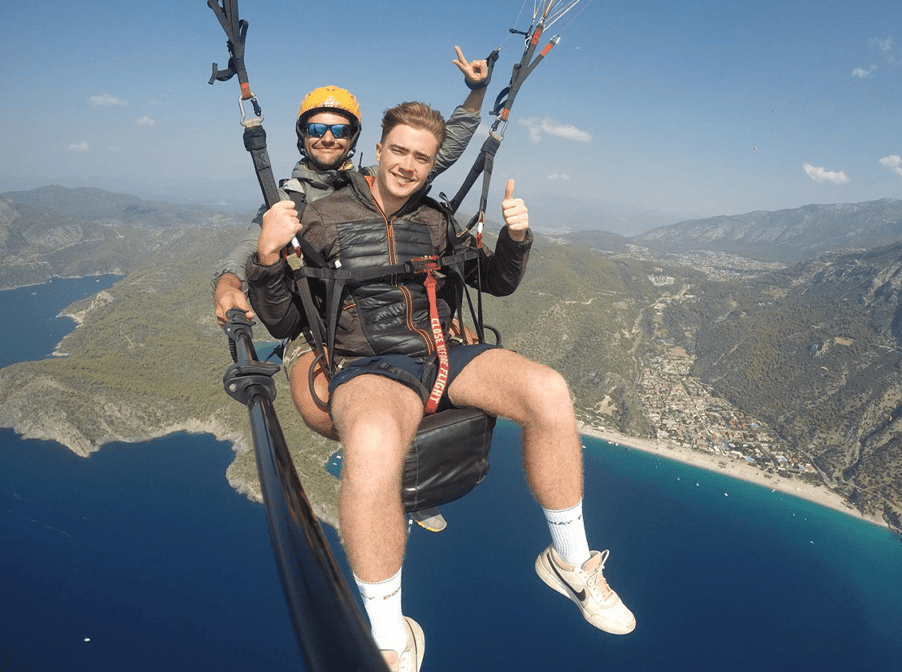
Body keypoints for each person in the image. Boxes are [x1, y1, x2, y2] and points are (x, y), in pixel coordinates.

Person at [245, 101, 636, 671]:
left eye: (421, 158)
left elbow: (493, 282)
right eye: (398, 151)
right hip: (369, 362)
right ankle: (387, 633)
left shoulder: (434, 219)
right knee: (374, 442)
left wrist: (517, 238)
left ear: (432, 166)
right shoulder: (320, 216)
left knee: (548, 390)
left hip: (442, 349)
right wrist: (266, 255)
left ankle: (570, 562)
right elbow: (282, 322)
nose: (407, 165)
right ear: (376, 151)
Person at [212, 47, 490, 440]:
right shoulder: (291, 198)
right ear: (302, 135)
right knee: (322, 406)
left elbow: (436, 152)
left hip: (385, 316)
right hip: (318, 319)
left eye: (339, 131)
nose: (328, 138)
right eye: (317, 129)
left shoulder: (372, 183)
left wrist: (475, 94)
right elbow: (253, 242)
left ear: (354, 138)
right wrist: (228, 282)